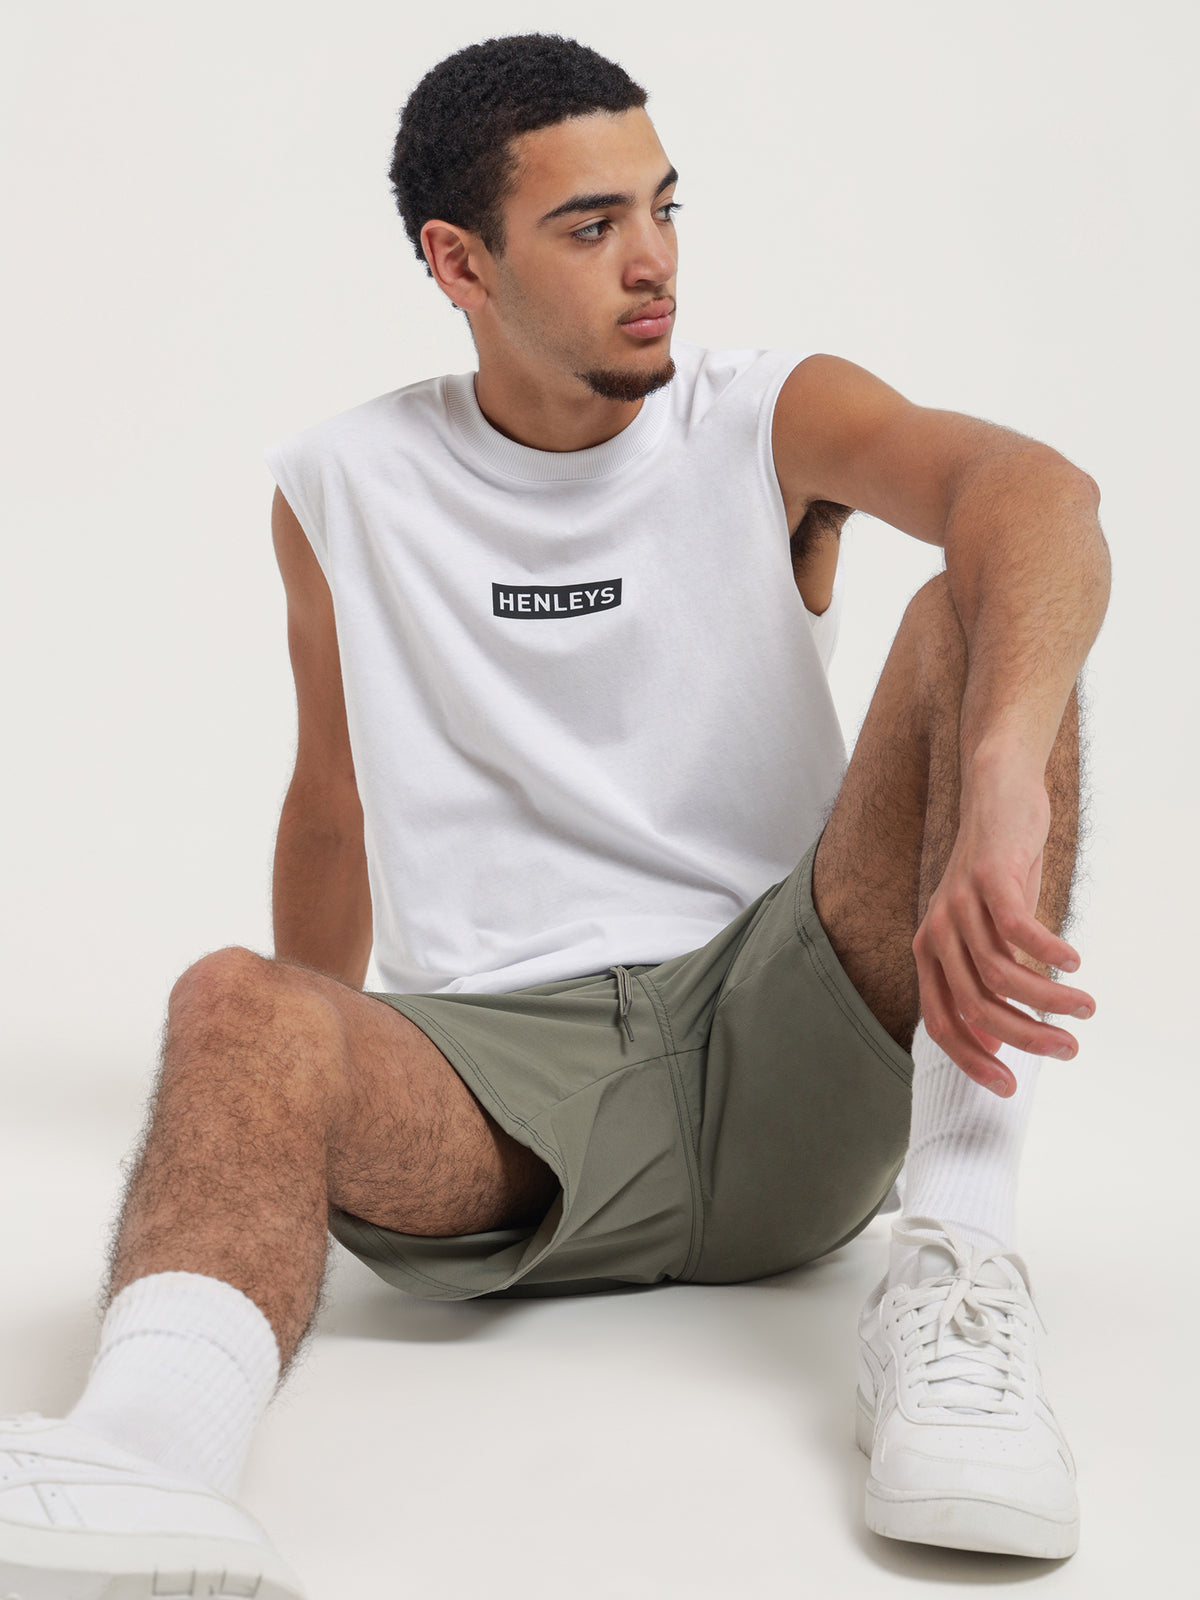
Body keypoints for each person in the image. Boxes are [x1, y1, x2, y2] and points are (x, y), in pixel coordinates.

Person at [0, 31, 1109, 1597]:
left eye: (663, 207)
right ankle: (145, 1459)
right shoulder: (343, 487)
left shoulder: (765, 416)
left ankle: (959, 1284)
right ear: (458, 261)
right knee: (233, 1009)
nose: (653, 261)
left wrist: (998, 773)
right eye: (591, 227)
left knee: (975, 618)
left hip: (795, 1028)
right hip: (504, 1097)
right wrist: (284, 1096)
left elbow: (1039, 493)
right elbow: (332, 803)